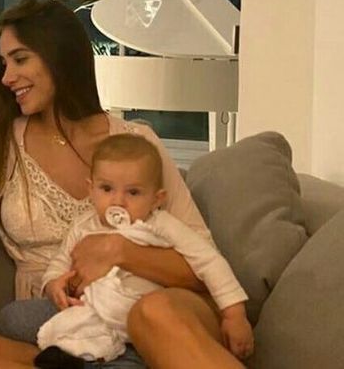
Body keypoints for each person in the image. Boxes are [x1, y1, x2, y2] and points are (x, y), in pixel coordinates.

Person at [0, 0, 249, 369]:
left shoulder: (136, 144)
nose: (7, 77)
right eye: (4, 64)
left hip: (153, 306)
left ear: (59, 56)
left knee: (152, 311)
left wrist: (119, 252)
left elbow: (200, 265)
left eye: (20, 59)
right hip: (63, 322)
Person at [34, 133, 253, 368]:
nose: (118, 201)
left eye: (133, 192)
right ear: (91, 189)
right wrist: (53, 285)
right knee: (53, 331)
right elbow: (60, 263)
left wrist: (234, 314)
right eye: (106, 189)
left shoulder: (160, 224)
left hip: (142, 322)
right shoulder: (83, 226)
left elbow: (209, 261)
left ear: (157, 199)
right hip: (94, 316)